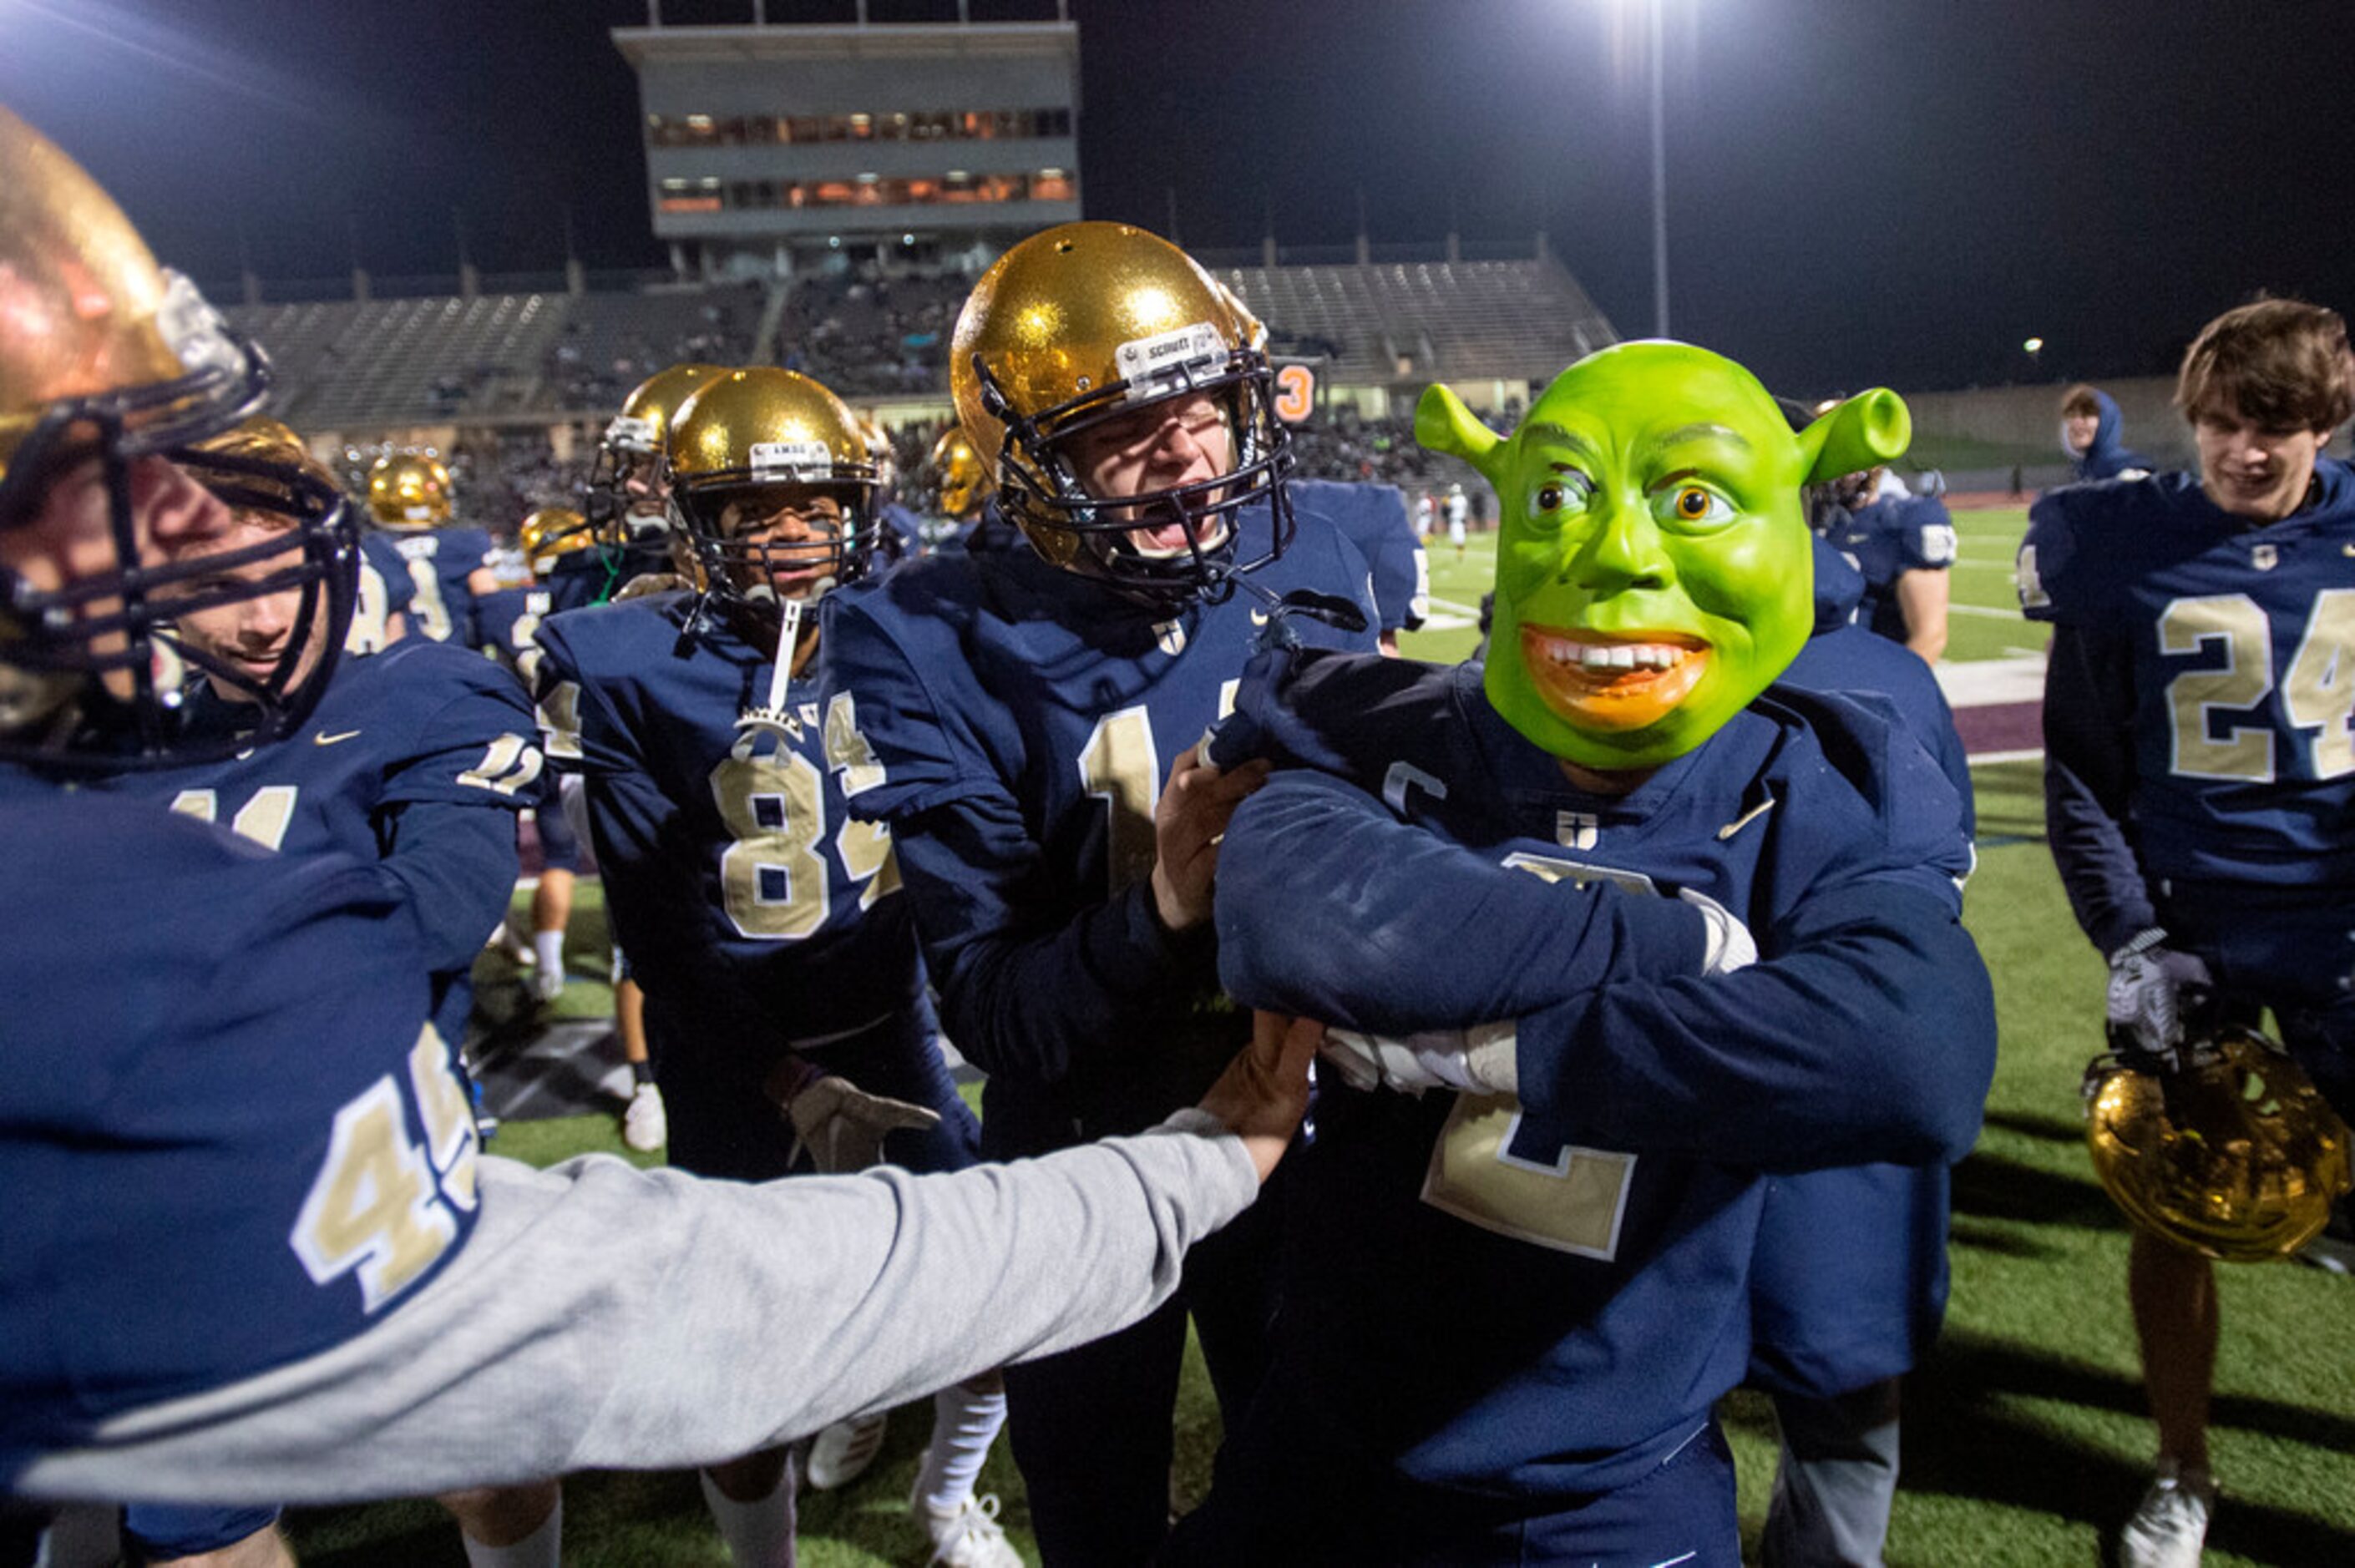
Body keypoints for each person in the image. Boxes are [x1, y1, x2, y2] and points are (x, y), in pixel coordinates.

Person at [0, 101, 1317, 1530]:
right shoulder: (711, 653)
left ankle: (930, 1482)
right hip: (818, 1047)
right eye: (98, 470)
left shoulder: (156, 902)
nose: (197, 527)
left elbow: (523, 1301)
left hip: (936, 1047)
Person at [1169, 342, 1995, 1565]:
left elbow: (1913, 1052)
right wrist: (1681, 942)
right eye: (1559, 495)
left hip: (1605, 1475)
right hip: (1324, 1418)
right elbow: (1289, 911)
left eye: (1691, 504)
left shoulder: (1810, 778)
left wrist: (1499, 1048)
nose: (1617, 557)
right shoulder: (1380, 719)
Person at [821, 220, 1381, 1565]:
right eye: (1125, 425)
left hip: (1314, 1119)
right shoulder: (922, 629)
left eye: (1206, 404)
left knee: (1322, 1494)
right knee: (1096, 1513)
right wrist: (1166, 907)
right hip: (1084, 1145)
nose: (1190, 448)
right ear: (1023, 459)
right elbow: (998, 1009)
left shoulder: (1312, 555)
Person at [533, 365, 1022, 1567]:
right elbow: (656, 926)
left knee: (997, 1305)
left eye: (818, 505)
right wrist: (780, 1076)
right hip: (733, 1049)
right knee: (737, 1364)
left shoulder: (910, 628)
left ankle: (942, 1500)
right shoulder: (635, 660)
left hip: (889, 1017)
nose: (795, 532)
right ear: (699, 525)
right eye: (757, 511)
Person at [2017, 297, 2355, 1568]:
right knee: (2170, 1211)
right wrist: (2130, 939)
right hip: (2194, 923)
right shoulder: (2116, 538)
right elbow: (2082, 770)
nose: (2241, 452)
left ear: (2326, 420)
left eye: (2273, 426)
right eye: (2220, 422)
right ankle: (2180, 1468)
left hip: (2343, 923)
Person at [1814, 466, 1957, 662]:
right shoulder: (1814, 519)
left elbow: (1929, 637)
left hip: (1871, 676)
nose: (1848, 471)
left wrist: (1894, 690)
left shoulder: (1907, 519)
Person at [365, 449, 499, 649]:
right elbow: (492, 605)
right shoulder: (464, 543)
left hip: (401, 658)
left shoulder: (374, 548)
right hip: (457, 654)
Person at [2059, 382, 2155, 483]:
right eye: (2071, 415)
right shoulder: (2082, 472)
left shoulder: (2130, 471)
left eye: (2086, 415)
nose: (2076, 422)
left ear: (2106, 420)